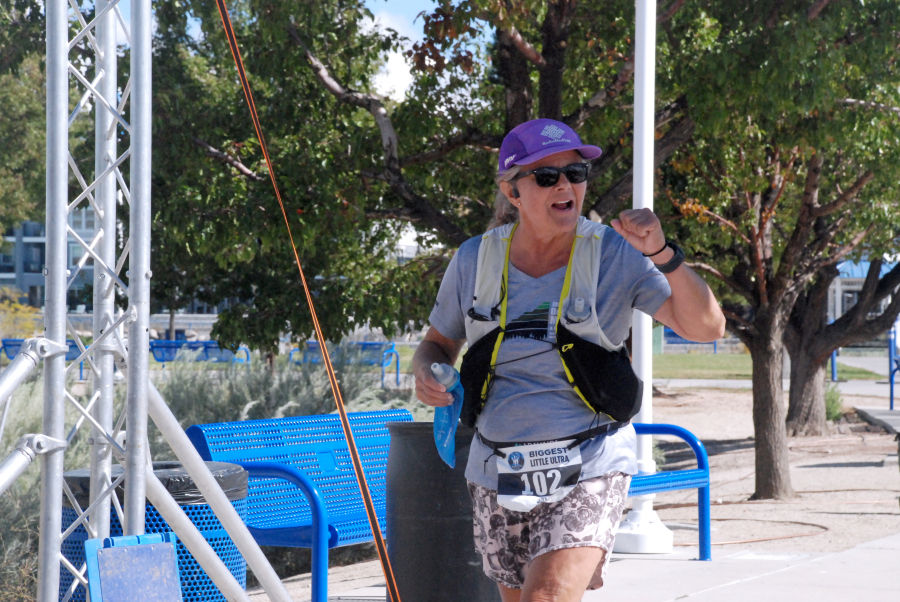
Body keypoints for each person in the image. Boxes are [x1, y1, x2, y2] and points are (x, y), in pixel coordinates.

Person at [413, 118, 725, 602]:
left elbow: (707, 328)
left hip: (592, 461)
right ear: (512, 192)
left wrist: (663, 253)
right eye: (546, 176)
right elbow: (437, 344)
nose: (565, 185)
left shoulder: (618, 254)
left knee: (548, 596)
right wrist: (425, 374)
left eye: (575, 174)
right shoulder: (474, 259)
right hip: (497, 468)